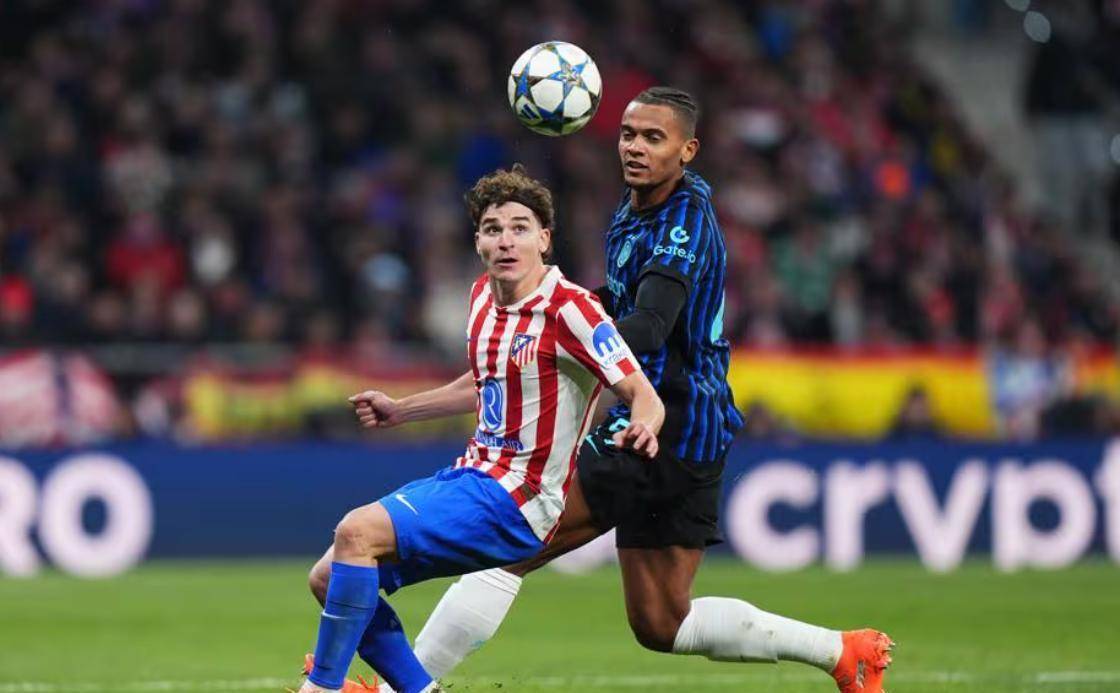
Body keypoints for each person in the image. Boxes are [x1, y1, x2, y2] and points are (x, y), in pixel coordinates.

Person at [389, 88, 893, 693]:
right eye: (629, 134)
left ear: (688, 150)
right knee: (661, 620)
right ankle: (843, 653)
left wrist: (557, 330)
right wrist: (571, 312)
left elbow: (650, 325)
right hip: (686, 428)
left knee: (509, 545)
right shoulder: (635, 209)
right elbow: (617, 304)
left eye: (654, 137)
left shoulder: (683, 223)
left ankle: (398, 688)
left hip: (664, 423)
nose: (635, 147)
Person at [296, 165, 664, 693]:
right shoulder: (481, 299)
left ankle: (321, 689)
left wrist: (644, 427)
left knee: (357, 531)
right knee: (329, 578)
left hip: (521, 497)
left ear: (544, 239)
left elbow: (642, 394)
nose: (506, 240)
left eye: (520, 228)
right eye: (493, 229)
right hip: (473, 474)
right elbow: (487, 380)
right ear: (478, 242)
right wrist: (402, 410)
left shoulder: (572, 310)